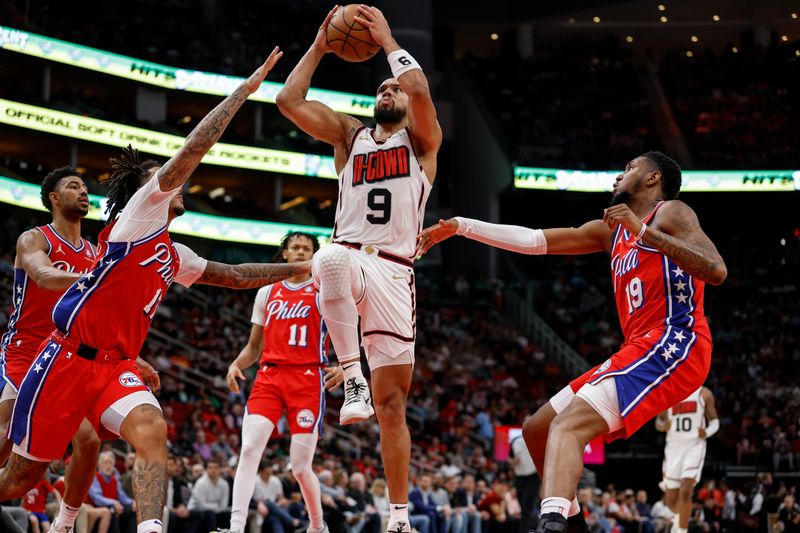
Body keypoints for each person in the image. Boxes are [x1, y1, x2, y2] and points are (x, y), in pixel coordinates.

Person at [0, 47, 308, 533]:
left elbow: (233, 275)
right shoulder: (139, 217)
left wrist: (302, 268)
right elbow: (192, 150)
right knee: (19, 479)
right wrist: (243, 93)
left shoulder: (174, 253)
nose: (180, 188)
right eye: (169, 184)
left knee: (151, 429)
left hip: (114, 364)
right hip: (63, 359)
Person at [417, 151, 727, 533]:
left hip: (676, 341)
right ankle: (574, 525)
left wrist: (642, 230)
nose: (619, 174)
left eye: (630, 167)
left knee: (567, 426)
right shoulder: (609, 233)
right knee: (537, 430)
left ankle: (550, 525)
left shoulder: (671, 212)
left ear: (653, 179)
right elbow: (533, 241)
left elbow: (716, 270)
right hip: (639, 347)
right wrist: (463, 226)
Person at [276, 6, 442, 532]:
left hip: (395, 273)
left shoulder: (421, 143)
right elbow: (288, 100)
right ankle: (352, 379)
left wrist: (387, 38)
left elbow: (419, 88)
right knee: (326, 255)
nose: (388, 90)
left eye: (394, 87)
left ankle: (398, 517)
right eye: (382, 88)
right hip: (347, 258)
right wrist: (322, 45)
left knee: (392, 405)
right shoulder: (348, 137)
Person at [0, 166, 160, 533]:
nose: (84, 192)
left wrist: (135, 358)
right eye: (73, 186)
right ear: (54, 199)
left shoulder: (94, 251)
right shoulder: (34, 238)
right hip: (28, 349)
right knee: (7, 436)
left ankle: (65, 523)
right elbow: (44, 276)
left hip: (71, 353)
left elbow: (97, 322)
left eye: (86, 187)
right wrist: (101, 280)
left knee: (87, 440)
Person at [224, 231, 343, 533]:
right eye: (295, 247)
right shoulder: (267, 292)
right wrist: (237, 364)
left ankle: (317, 526)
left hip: (307, 378)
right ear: (285, 254)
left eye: (307, 248)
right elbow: (254, 346)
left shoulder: (324, 290)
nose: (301, 252)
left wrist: (346, 365)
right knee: (249, 449)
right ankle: (236, 527)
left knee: (300, 466)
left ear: (316, 255)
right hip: (269, 376)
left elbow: (352, 330)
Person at [656, 386, 719, 533]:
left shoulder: (704, 393)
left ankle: (682, 530)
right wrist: (662, 425)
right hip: (673, 448)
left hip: (694, 446)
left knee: (685, 491)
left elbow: (715, 422)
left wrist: (707, 432)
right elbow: (658, 421)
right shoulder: (667, 392)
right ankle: (678, 518)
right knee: (671, 500)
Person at [88, 451, 136, 533]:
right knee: (113, 511)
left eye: (111, 463)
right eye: (105, 463)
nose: (109, 465)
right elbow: (96, 498)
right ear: (99, 465)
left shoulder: (115, 480)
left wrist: (133, 502)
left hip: (116, 506)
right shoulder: (95, 478)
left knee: (133, 510)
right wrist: (113, 503)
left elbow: (123, 497)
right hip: (100, 507)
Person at [508, 434, 538, 533]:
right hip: (519, 478)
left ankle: (524, 530)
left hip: (533, 478)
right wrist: (513, 462)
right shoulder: (515, 441)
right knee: (523, 508)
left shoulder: (537, 440)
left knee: (526, 509)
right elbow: (509, 459)